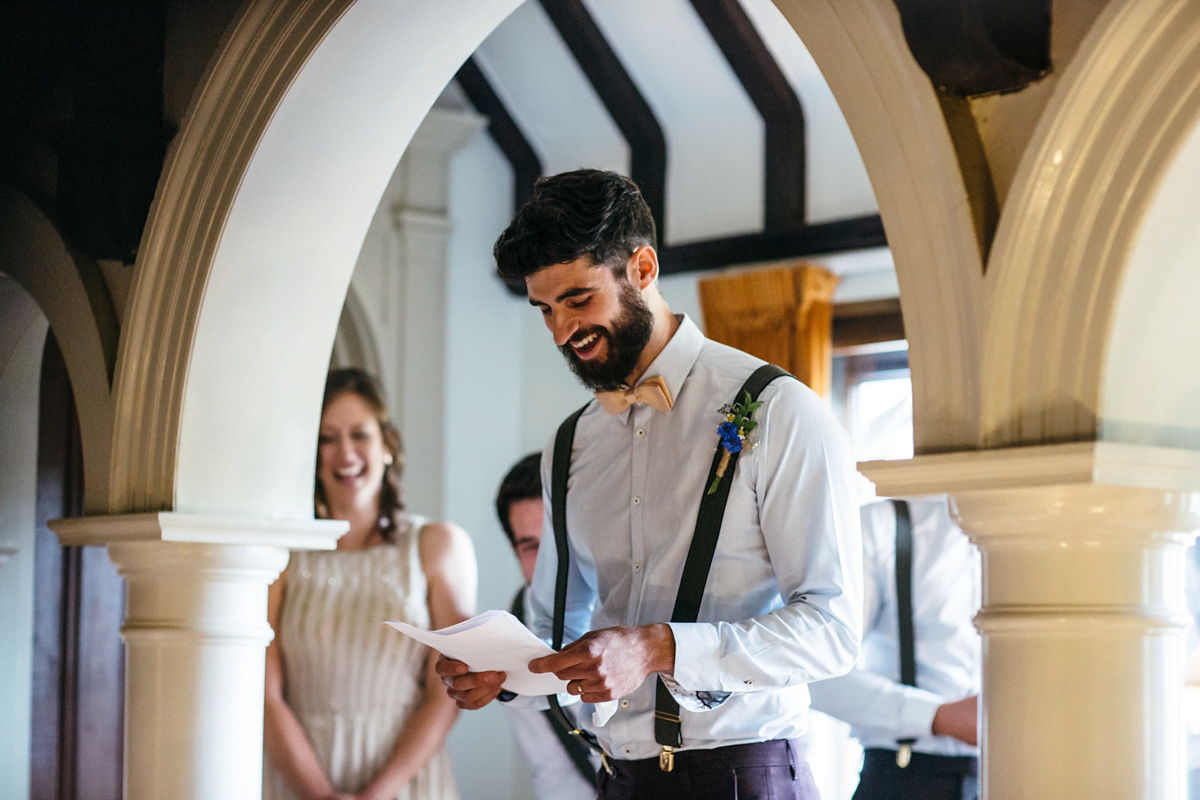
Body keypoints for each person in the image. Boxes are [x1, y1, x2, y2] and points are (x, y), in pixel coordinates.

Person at [437, 169, 863, 800]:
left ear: (641, 268)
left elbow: (834, 631)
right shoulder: (570, 444)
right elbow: (558, 623)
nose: (561, 334)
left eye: (579, 301)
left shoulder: (778, 411)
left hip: (746, 776)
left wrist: (662, 648)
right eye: (545, 310)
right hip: (619, 779)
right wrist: (503, 670)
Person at [264, 368, 477, 800]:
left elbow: (447, 695)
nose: (345, 453)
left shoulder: (437, 545)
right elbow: (264, 695)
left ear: (386, 446)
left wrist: (376, 795)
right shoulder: (277, 554)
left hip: (407, 780)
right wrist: (320, 795)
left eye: (359, 434)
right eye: (327, 438)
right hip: (298, 778)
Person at [807, 497, 980, 800]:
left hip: (1027, 775)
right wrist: (936, 716)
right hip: (904, 777)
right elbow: (814, 671)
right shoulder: (882, 525)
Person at [495, 452, 602, 800]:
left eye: (559, 541)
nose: (548, 566)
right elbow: (551, 767)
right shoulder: (512, 627)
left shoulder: (638, 602)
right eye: (531, 547)